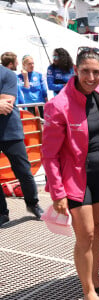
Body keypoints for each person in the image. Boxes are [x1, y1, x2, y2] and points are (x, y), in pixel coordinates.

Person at [42, 46, 99, 300]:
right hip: (74, 179)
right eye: (85, 71)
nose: (91, 77)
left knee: (96, 229)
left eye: (96, 72)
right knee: (85, 234)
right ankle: (87, 290)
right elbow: (49, 154)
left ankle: (95, 278)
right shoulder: (58, 105)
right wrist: (57, 192)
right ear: (75, 70)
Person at [0, 64, 43, 227]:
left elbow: (6, 105)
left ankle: (33, 204)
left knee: (24, 171)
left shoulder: (7, 74)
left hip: (10, 132)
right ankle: (2, 212)